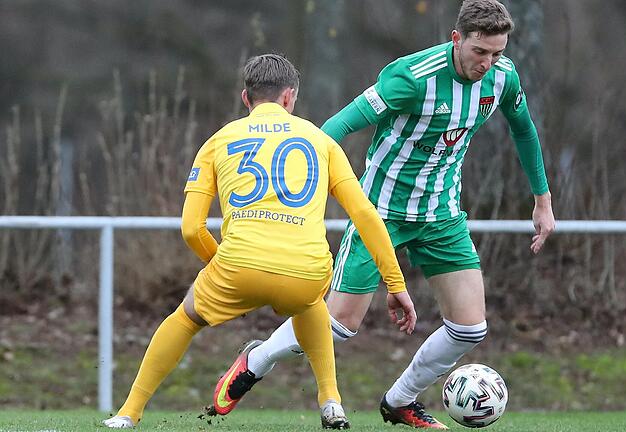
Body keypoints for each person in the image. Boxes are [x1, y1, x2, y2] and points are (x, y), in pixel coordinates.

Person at [218, 0, 556, 428]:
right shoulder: (411, 79)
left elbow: (523, 129)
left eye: (497, 53)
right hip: (380, 214)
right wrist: (302, 182)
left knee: (470, 329)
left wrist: (542, 199)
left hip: (442, 215)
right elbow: (336, 128)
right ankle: (257, 358)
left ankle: (400, 401)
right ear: (456, 39)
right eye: (479, 53)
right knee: (340, 325)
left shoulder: (502, 79)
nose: (488, 63)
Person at [102, 54, 417, 430]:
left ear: (245, 98)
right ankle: (331, 400)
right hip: (306, 270)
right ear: (289, 97)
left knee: (186, 318)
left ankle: (128, 413)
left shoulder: (219, 140)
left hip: (238, 266)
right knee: (309, 302)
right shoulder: (321, 141)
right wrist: (395, 284)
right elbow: (365, 215)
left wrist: (222, 264)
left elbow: (191, 228)